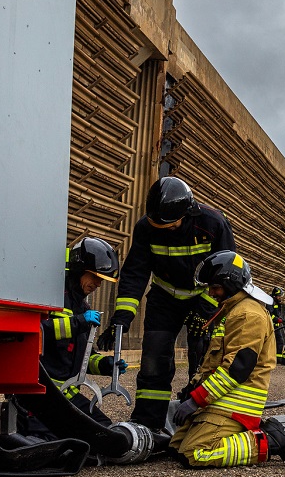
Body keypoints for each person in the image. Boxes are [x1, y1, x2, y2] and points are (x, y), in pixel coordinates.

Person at [99, 177, 236, 431]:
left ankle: (197, 418)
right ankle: (148, 421)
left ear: (187, 213)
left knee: (204, 359)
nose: (164, 229)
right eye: (158, 225)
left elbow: (226, 271)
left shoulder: (213, 223)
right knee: (154, 359)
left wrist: (208, 309)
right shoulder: (146, 228)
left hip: (203, 297)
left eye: (169, 225)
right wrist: (122, 317)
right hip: (164, 297)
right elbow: (135, 273)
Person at [169, 250, 285, 467]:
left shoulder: (248, 314)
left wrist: (196, 400)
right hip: (220, 400)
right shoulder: (233, 310)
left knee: (194, 453)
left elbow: (237, 369)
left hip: (235, 405)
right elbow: (214, 362)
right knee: (175, 448)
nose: (211, 293)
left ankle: (270, 441)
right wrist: (191, 389)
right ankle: (254, 433)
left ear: (231, 284)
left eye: (215, 287)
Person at [39, 237, 126, 425]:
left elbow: (85, 356)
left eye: (101, 279)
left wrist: (106, 365)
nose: (98, 284)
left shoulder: (83, 308)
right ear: (80, 270)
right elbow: (40, 332)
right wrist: (79, 322)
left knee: (106, 429)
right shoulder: (51, 298)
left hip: (66, 394)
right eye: (95, 277)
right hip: (42, 394)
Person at [269, 286, 285, 362]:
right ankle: (277, 358)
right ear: (275, 296)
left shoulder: (276, 303)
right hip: (271, 326)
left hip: (276, 326)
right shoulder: (270, 302)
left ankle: (277, 358)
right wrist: (277, 319)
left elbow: (277, 314)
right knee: (279, 342)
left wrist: (281, 320)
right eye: (279, 296)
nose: (280, 298)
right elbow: (269, 314)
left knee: (279, 342)